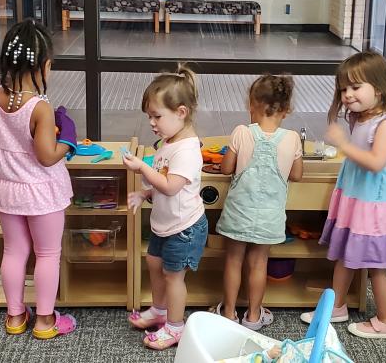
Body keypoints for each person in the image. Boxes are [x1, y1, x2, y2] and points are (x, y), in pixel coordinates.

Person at [300, 51, 386, 338]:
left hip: (375, 206)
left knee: (375, 266)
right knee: (345, 254)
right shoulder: (359, 118)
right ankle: (336, 306)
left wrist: (342, 143)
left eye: (355, 87)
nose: (347, 94)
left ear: (378, 88)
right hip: (357, 200)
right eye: (343, 88)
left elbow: (377, 161)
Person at [0, 18, 78, 339]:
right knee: (47, 254)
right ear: (46, 64)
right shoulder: (39, 107)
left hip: (5, 189)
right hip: (40, 193)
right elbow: (45, 155)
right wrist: (68, 140)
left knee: (13, 251)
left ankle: (14, 317)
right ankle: (44, 320)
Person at [123, 64, 208, 350]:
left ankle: (175, 327)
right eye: (149, 116)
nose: (151, 123)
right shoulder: (168, 142)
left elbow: (171, 186)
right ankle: (159, 311)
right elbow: (165, 186)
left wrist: (141, 170)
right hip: (166, 222)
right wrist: (145, 194)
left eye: (157, 116)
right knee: (154, 263)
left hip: (184, 228)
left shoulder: (187, 149)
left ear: (181, 112)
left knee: (173, 277)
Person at [214, 74, 303, 330]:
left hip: (238, 212)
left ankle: (229, 313)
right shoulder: (292, 138)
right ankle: (253, 316)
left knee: (233, 260)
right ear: (285, 110)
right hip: (270, 216)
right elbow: (296, 174)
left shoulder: (242, 132)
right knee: (258, 263)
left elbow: (225, 168)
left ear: (252, 105)